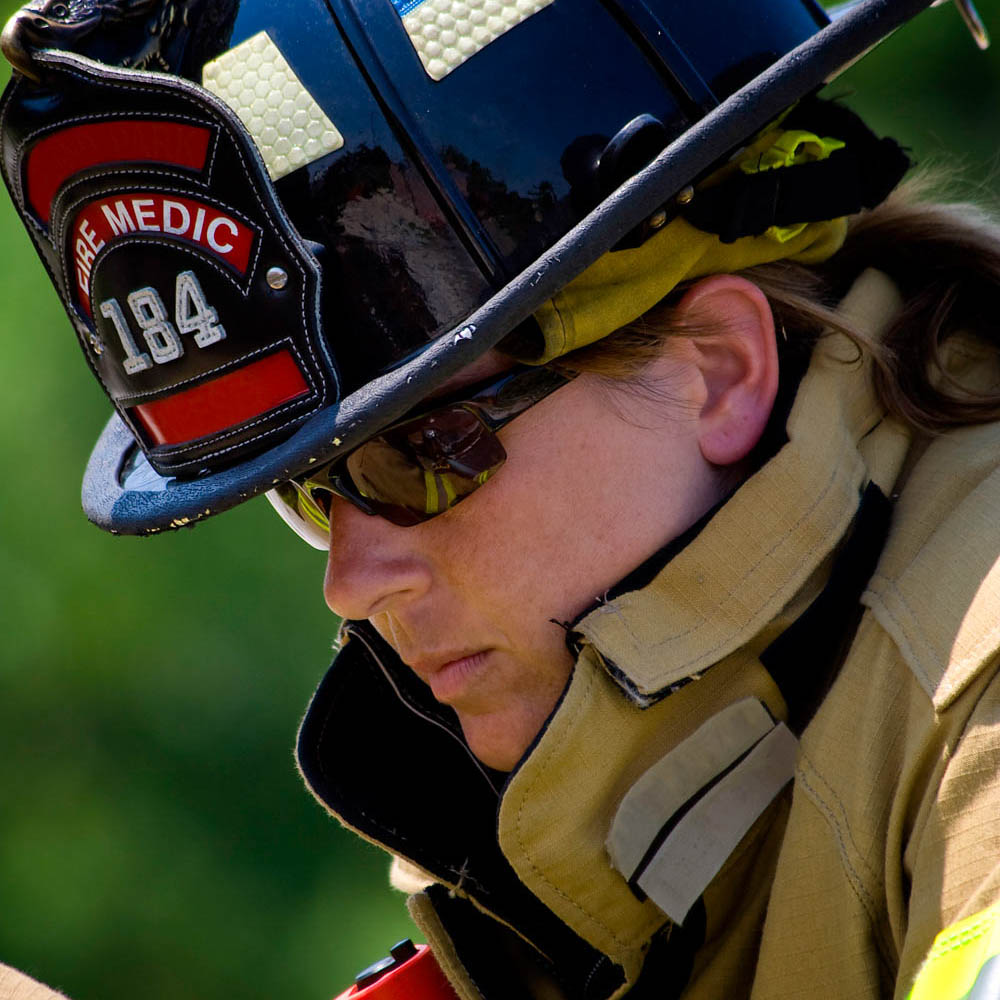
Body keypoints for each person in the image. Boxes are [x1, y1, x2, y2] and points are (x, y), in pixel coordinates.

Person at [1, 0, 999, 998]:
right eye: (313, 495)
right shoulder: (598, 812)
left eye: (421, 456)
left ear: (718, 374)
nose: (349, 584)